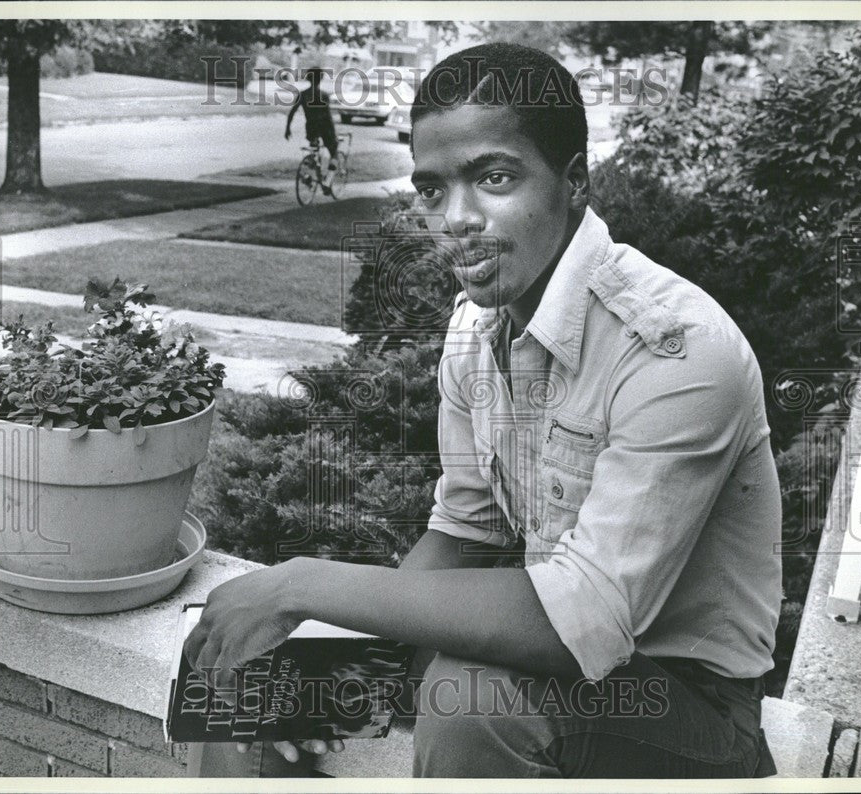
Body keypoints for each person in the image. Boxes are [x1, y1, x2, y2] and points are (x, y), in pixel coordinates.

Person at [185, 42, 783, 778]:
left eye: (493, 177)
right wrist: (309, 640)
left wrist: (300, 583)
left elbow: (580, 622)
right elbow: (465, 530)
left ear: (575, 182)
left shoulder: (677, 352)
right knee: (242, 678)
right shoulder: (475, 329)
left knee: (471, 701)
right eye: (432, 191)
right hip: (547, 661)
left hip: (690, 703)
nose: (456, 219)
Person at [285, 66, 339, 195]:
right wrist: (333, 133)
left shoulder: (303, 94)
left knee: (314, 151)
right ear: (320, 79)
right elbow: (327, 116)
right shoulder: (324, 95)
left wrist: (287, 128)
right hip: (325, 127)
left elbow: (292, 112)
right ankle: (327, 182)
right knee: (334, 152)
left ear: (308, 78)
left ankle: (309, 174)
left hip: (311, 127)